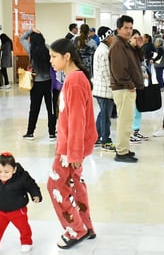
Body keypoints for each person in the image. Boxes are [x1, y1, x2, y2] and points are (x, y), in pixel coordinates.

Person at [47, 38, 98, 249]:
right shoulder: (74, 78)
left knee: (55, 186)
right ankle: (85, 226)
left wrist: (74, 155)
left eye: (54, 57)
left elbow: (77, 120)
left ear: (66, 57)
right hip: (72, 145)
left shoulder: (74, 81)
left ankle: (75, 230)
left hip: (70, 149)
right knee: (75, 185)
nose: (51, 61)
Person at [0, 152, 42, 253]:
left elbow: (32, 186)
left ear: (14, 169)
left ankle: (26, 242)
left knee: (23, 228)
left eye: (6, 172)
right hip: (0, 210)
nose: (2, 175)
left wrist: (35, 195)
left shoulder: (22, 178)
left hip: (17, 210)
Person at [109, 15, 143, 163]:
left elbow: (137, 61)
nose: (129, 31)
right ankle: (121, 152)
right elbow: (119, 70)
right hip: (123, 88)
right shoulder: (118, 45)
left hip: (126, 88)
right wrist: (130, 84)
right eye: (125, 28)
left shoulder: (125, 44)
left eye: (130, 28)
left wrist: (138, 48)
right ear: (118, 29)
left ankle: (124, 148)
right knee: (124, 121)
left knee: (127, 120)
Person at [20, 27, 56, 141]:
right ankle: (52, 133)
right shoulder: (48, 48)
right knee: (51, 108)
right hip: (49, 82)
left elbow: (22, 38)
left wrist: (31, 30)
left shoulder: (30, 48)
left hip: (36, 83)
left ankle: (30, 132)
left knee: (34, 108)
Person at [92, 26, 116, 151]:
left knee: (103, 115)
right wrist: (115, 87)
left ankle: (95, 137)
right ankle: (106, 141)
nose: (113, 38)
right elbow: (107, 74)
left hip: (101, 89)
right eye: (111, 36)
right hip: (105, 91)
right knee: (106, 117)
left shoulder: (103, 49)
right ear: (106, 38)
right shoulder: (104, 52)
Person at [129, 29, 149, 143]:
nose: (137, 40)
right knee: (130, 110)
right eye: (134, 38)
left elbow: (141, 63)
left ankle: (136, 131)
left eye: (138, 38)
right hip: (130, 84)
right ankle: (130, 133)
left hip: (138, 84)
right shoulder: (126, 50)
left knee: (138, 109)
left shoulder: (137, 50)